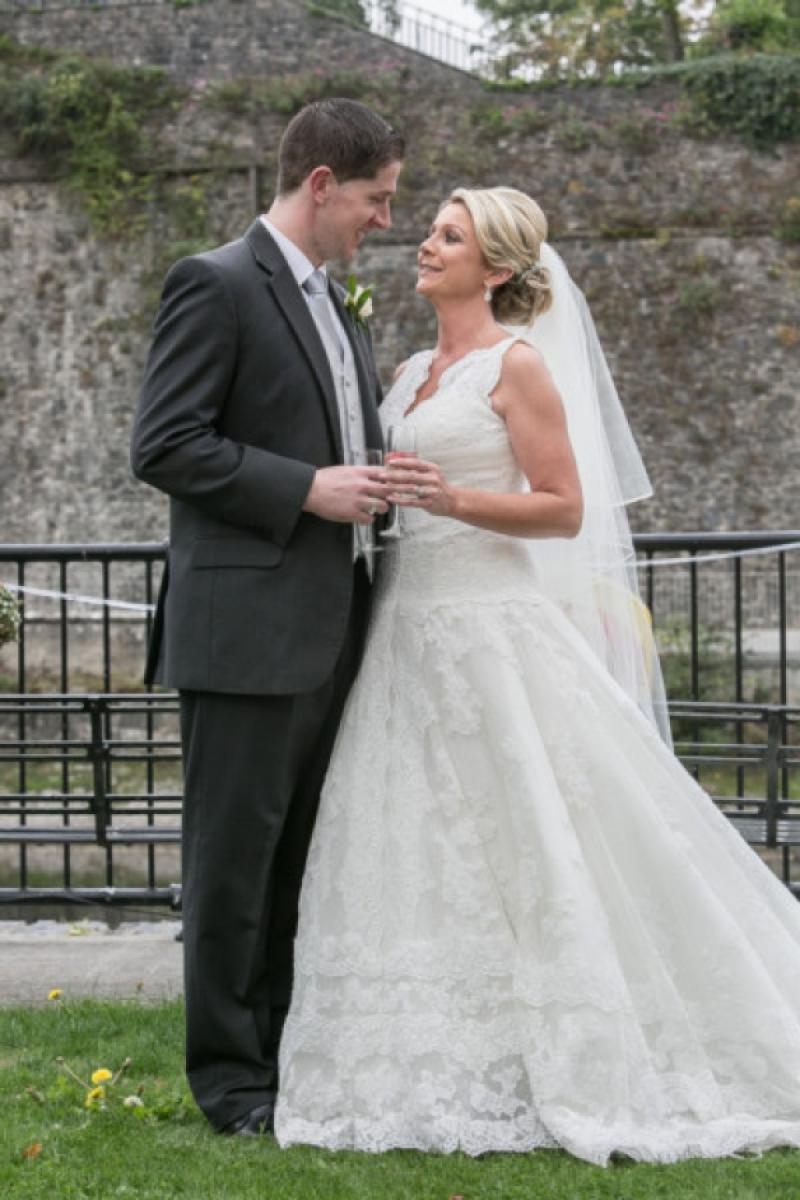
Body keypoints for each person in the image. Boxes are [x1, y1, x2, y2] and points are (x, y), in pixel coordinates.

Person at [274, 187, 800, 1165]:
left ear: (498, 269)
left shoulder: (516, 367)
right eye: (431, 230)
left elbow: (562, 508)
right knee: (415, 837)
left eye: (449, 237)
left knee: (537, 839)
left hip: (490, 624)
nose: (424, 245)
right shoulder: (408, 369)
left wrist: (452, 498)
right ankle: (425, 1056)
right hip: (402, 628)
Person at [130, 99, 404, 1137]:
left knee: (300, 866)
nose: (386, 220)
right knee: (233, 872)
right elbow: (164, 443)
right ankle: (231, 1085)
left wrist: (380, 483)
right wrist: (307, 489)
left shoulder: (341, 305)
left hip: (337, 627)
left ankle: (290, 1065)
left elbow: (337, 440)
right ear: (322, 185)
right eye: (377, 198)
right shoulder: (213, 283)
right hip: (246, 635)